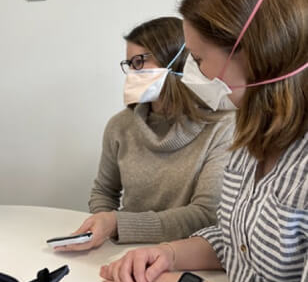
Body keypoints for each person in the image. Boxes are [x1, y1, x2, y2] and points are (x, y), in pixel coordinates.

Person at [100, 0, 308, 282]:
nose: (191, 71)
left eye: (198, 58)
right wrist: (166, 255)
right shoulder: (250, 141)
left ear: (256, 55)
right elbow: (234, 241)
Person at [57, 17, 234, 252]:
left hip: (189, 257)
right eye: (129, 64)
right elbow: (104, 191)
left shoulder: (222, 126)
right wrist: (102, 225)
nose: (132, 72)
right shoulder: (120, 126)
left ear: (178, 60)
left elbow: (205, 215)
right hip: (126, 251)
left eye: (139, 61)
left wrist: (118, 224)